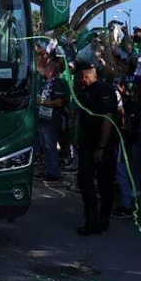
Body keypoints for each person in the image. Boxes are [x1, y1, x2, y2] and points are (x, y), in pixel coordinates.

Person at [71, 59, 119, 235]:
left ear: (93, 73)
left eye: (85, 76)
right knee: (84, 180)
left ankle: (103, 219)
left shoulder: (105, 90)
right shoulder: (83, 90)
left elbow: (108, 119)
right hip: (86, 142)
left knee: (105, 182)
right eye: (80, 76)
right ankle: (91, 218)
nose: (82, 79)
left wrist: (102, 146)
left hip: (102, 144)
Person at [36, 50, 70, 183]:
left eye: (46, 68)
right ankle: (46, 171)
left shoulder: (58, 82)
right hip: (43, 119)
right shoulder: (45, 82)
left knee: (51, 146)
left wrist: (43, 102)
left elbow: (59, 102)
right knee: (45, 147)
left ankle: (53, 173)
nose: (44, 70)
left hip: (52, 119)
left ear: (51, 71)